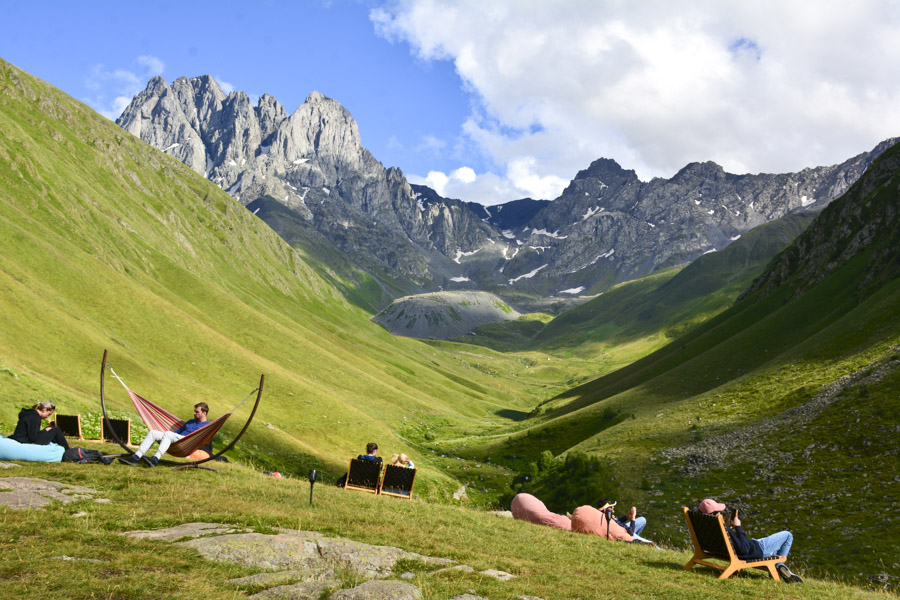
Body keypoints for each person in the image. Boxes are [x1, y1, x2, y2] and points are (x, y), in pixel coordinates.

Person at [699, 498, 802, 583]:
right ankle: (779, 566)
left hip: (745, 547)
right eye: (719, 511)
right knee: (787, 535)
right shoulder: (722, 527)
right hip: (755, 549)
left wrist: (729, 527)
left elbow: (729, 542)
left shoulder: (705, 526)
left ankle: (778, 568)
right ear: (716, 514)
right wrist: (738, 527)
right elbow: (743, 549)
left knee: (775, 549)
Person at [118, 402, 210, 468]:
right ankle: (136, 457)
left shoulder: (208, 425)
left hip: (188, 442)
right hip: (178, 440)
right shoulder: (190, 421)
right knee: (153, 433)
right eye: (194, 411)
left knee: (168, 434)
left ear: (204, 413)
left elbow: (206, 439)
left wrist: (169, 436)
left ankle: (155, 459)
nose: (194, 413)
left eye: (197, 412)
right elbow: (178, 431)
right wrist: (169, 438)